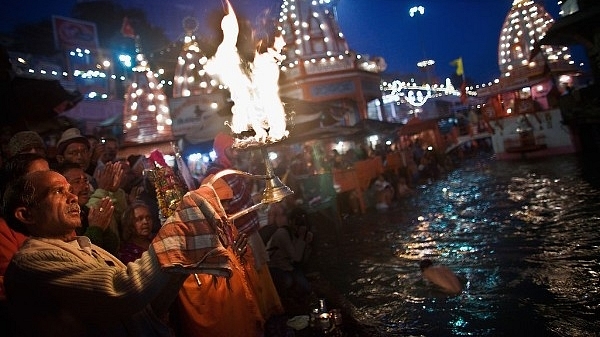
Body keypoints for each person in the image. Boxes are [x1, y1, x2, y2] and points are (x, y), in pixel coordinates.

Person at [2, 170, 250, 336]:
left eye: (70, 189)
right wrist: (181, 225)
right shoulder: (32, 260)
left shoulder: (86, 247)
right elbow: (122, 291)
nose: (73, 196)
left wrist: (184, 262)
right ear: (26, 214)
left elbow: (147, 307)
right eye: (58, 191)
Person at [170, 174, 266, 337]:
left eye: (229, 202)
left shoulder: (227, 226)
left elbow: (244, 260)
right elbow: (192, 284)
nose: (227, 209)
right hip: (221, 314)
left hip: (239, 307)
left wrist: (240, 257)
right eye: (222, 202)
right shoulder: (191, 233)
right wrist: (230, 258)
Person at [204, 131, 283, 319]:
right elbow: (221, 211)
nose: (236, 152)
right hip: (240, 237)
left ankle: (271, 313)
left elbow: (238, 199)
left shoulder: (231, 169)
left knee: (261, 272)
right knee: (253, 277)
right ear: (221, 151)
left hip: (250, 231)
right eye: (231, 149)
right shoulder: (216, 176)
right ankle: (261, 317)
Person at [56, 162, 119, 255]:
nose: (85, 186)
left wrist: (104, 228)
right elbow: (78, 256)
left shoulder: (87, 212)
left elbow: (112, 250)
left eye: (85, 181)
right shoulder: (59, 219)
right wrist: (95, 228)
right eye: (77, 182)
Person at [265, 206, 313, 313]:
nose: (298, 226)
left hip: (289, 266)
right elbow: (296, 257)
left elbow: (302, 261)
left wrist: (308, 245)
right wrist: (301, 238)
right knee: (288, 281)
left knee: (307, 289)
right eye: (297, 222)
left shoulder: (299, 234)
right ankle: (284, 302)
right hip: (276, 268)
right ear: (291, 221)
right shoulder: (282, 233)